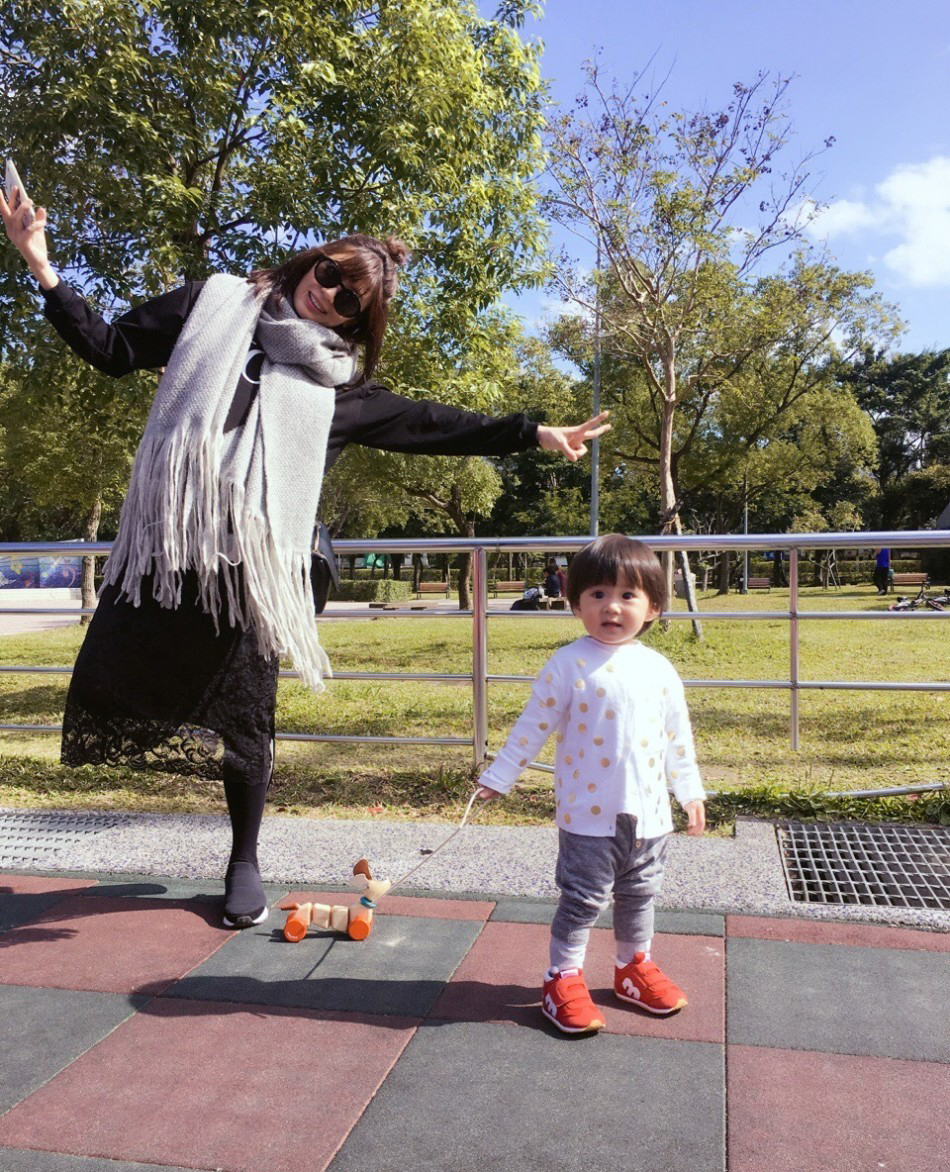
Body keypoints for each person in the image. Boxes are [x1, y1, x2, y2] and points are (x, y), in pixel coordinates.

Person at [2, 179, 611, 929]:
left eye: (352, 301)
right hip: (169, 557)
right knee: (112, 678)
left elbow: (430, 423)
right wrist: (42, 265)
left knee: (246, 720)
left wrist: (533, 432)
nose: (330, 296)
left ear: (361, 323)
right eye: (330, 274)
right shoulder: (212, 305)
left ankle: (243, 860)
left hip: (250, 577)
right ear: (310, 261)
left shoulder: (335, 390)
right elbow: (113, 350)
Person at [476, 534, 705, 1035]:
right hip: (588, 816)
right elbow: (532, 725)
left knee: (640, 895)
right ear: (575, 602)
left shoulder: (660, 669)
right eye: (597, 594)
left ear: (653, 608)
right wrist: (501, 775)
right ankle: (563, 977)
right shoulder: (567, 663)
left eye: (627, 595)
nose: (612, 607)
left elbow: (676, 736)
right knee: (582, 899)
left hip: (648, 818)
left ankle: (632, 967)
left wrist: (689, 791)